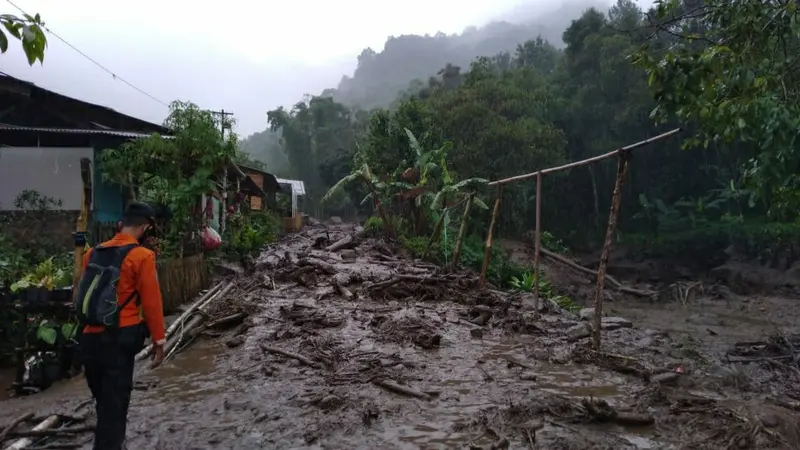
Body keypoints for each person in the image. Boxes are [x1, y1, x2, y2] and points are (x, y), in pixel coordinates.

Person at [76, 202, 166, 450]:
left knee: (104, 402)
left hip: (88, 340)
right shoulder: (142, 257)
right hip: (119, 339)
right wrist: (159, 339)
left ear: (120, 224)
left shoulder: (91, 253)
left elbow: (83, 293)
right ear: (145, 227)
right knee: (114, 407)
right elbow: (151, 302)